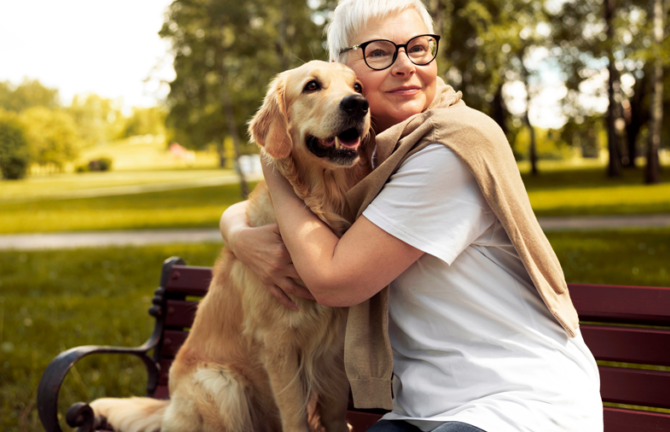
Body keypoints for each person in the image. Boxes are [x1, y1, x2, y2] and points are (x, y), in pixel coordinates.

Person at [220, 0, 603, 431]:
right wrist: (234, 230)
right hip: (423, 409)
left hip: (517, 402)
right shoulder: (376, 154)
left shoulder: (450, 149)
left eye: (418, 48)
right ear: (342, 68)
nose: (405, 65)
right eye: (379, 53)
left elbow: (332, 279)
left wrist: (274, 163)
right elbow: (285, 208)